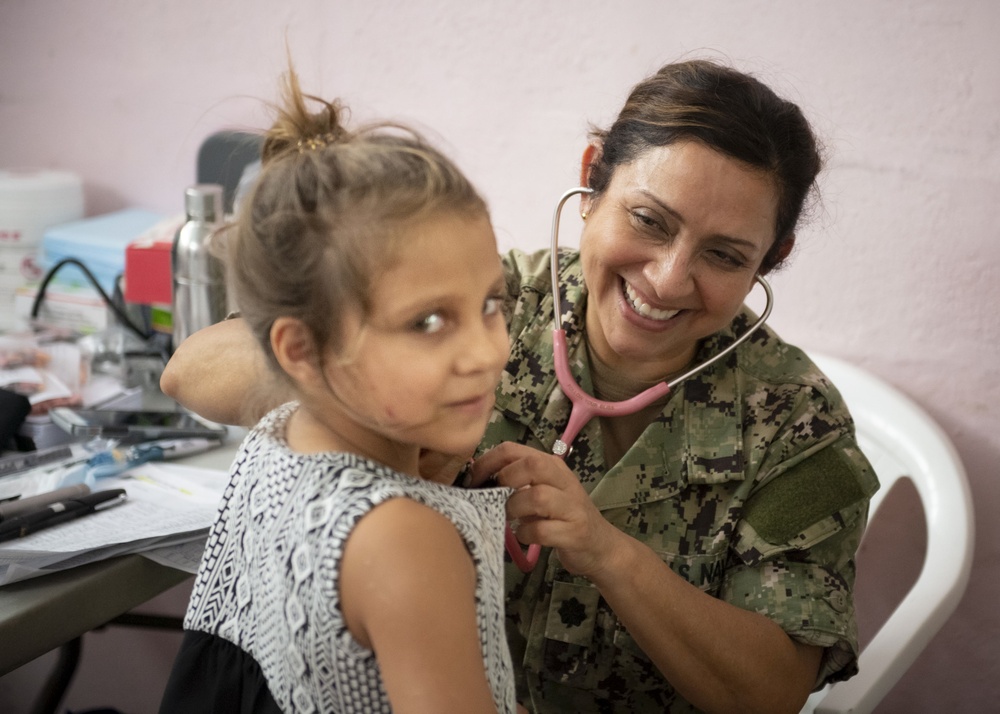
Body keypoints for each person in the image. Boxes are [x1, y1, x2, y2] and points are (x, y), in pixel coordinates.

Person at [162, 58, 878, 714]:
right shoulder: (491, 302)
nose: (666, 278)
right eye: (649, 221)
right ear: (594, 179)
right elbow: (194, 369)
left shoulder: (797, 428)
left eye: (724, 255)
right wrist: (384, 395)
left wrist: (609, 554)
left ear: (772, 258)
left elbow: (773, 693)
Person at [158, 66, 519, 713]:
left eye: (492, 303)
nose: (492, 350)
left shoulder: (271, 445)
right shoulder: (409, 541)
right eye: (428, 321)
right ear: (301, 350)